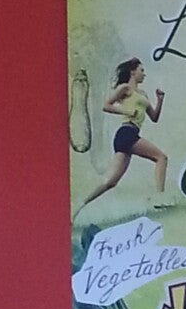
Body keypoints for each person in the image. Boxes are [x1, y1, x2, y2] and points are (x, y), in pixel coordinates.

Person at [72, 57, 168, 219]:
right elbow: (106, 105)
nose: (144, 74)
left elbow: (154, 117)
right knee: (161, 157)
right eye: (141, 70)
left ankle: (80, 204)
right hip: (126, 132)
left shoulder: (142, 94)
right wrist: (127, 112)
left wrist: (159, 100)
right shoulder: (125, 88)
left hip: (131, 134)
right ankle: (159, 199)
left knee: (110, 182)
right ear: (133, 72)